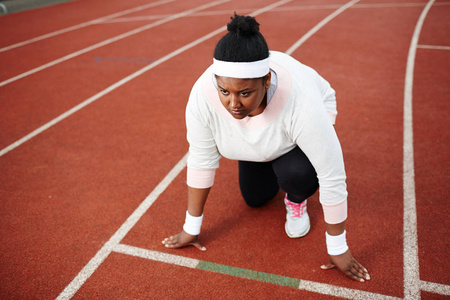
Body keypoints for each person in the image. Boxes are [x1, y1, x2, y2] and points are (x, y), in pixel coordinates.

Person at [162, 13, 370, 282]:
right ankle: (259, 154)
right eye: (225, 91)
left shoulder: (303, 105)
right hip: (254, 137)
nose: (233, 103)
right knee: (255, 199)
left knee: (299, 174)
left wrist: (338, 247)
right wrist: (191, 227)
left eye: (244, 93)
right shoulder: (203, 96)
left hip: (291, 137)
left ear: (267, 82)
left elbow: (332, 174)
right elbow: (202, 159)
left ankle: (295, 199)